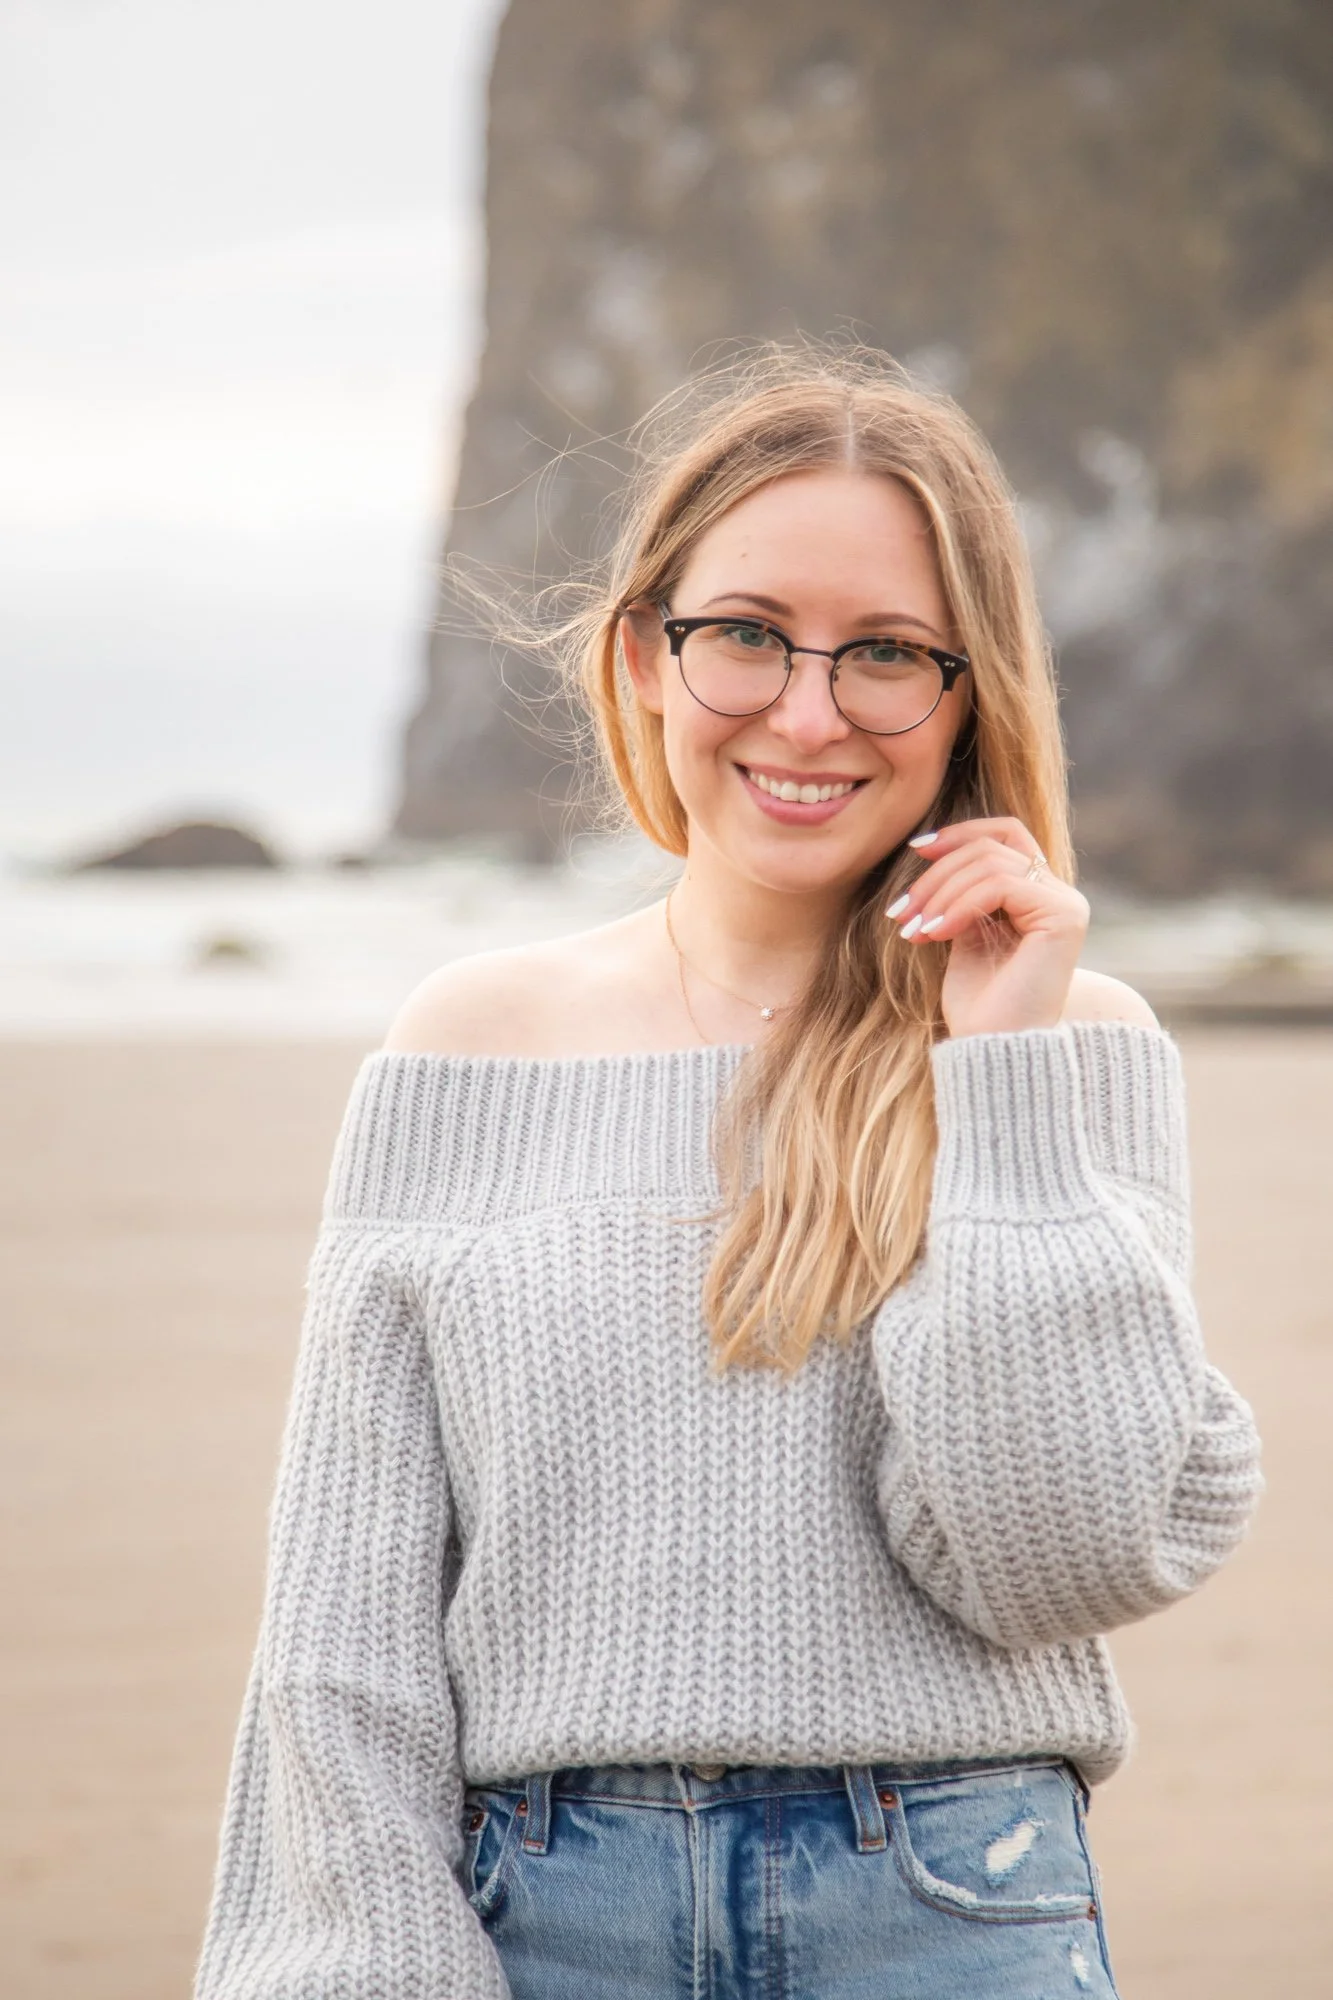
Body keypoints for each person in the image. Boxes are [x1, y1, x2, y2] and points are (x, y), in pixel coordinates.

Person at [193, 345, 1263, 2000]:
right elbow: (342, 1648)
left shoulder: (1064, 1048)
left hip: (948, 1907)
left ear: (970, 692)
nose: (810, 712)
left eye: (887, 655)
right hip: (543, 1915)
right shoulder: (469, 1044)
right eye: (748, 634)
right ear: (642, 654)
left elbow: (1059, 1555)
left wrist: (1001, 1077)